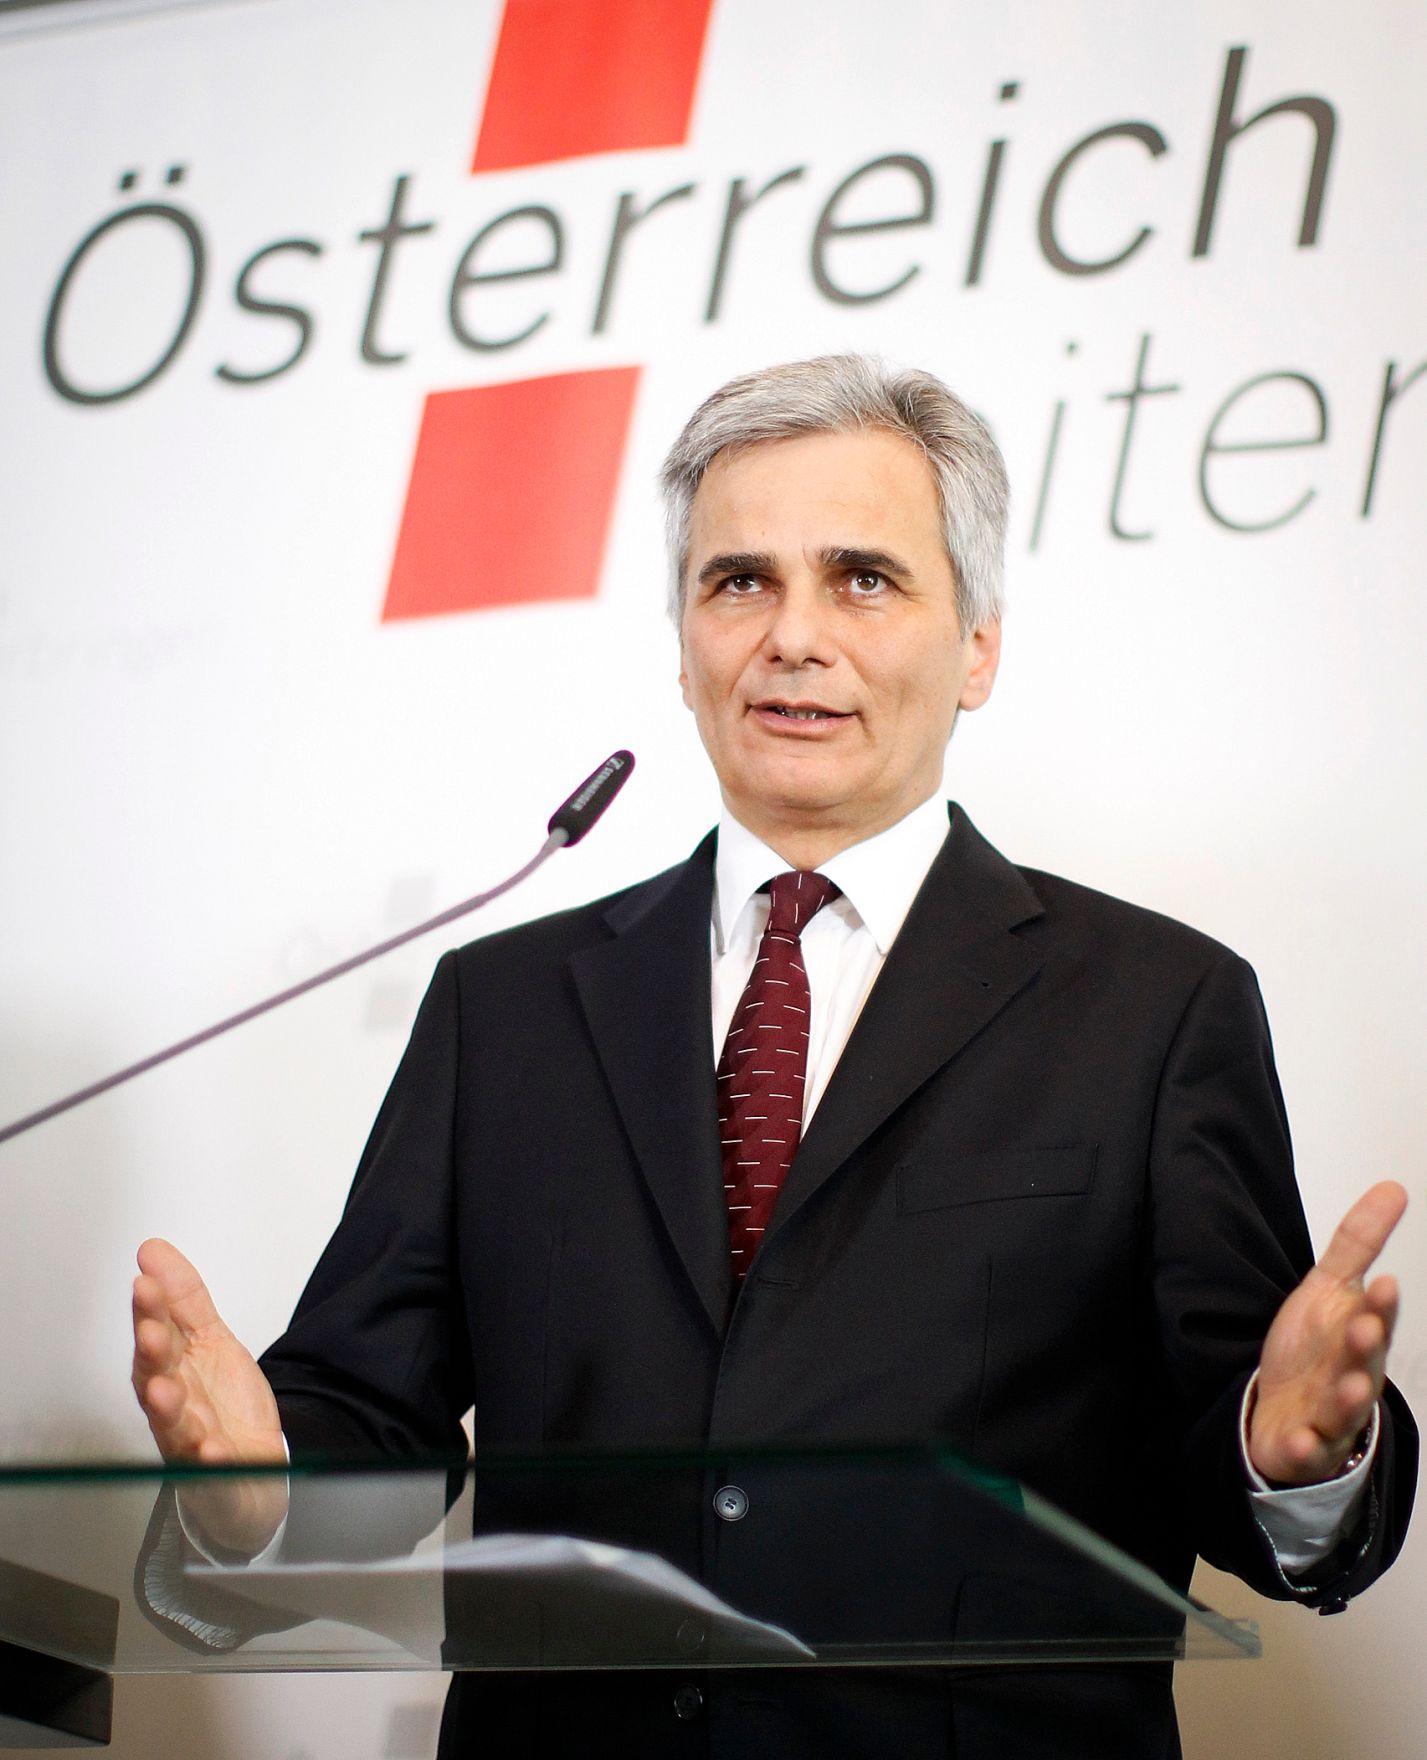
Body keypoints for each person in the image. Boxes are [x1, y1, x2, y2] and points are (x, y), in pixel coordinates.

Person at [132, 355, 1416, 1758]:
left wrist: (1292, 1455)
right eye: (739, 581)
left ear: (978, 645)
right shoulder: (501, 1010)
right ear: (682, 643)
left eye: (863, 579)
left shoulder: (1157, 1009)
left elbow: (1243, 1434)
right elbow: (367, 1417)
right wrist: (257, 1495)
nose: (794, 636)